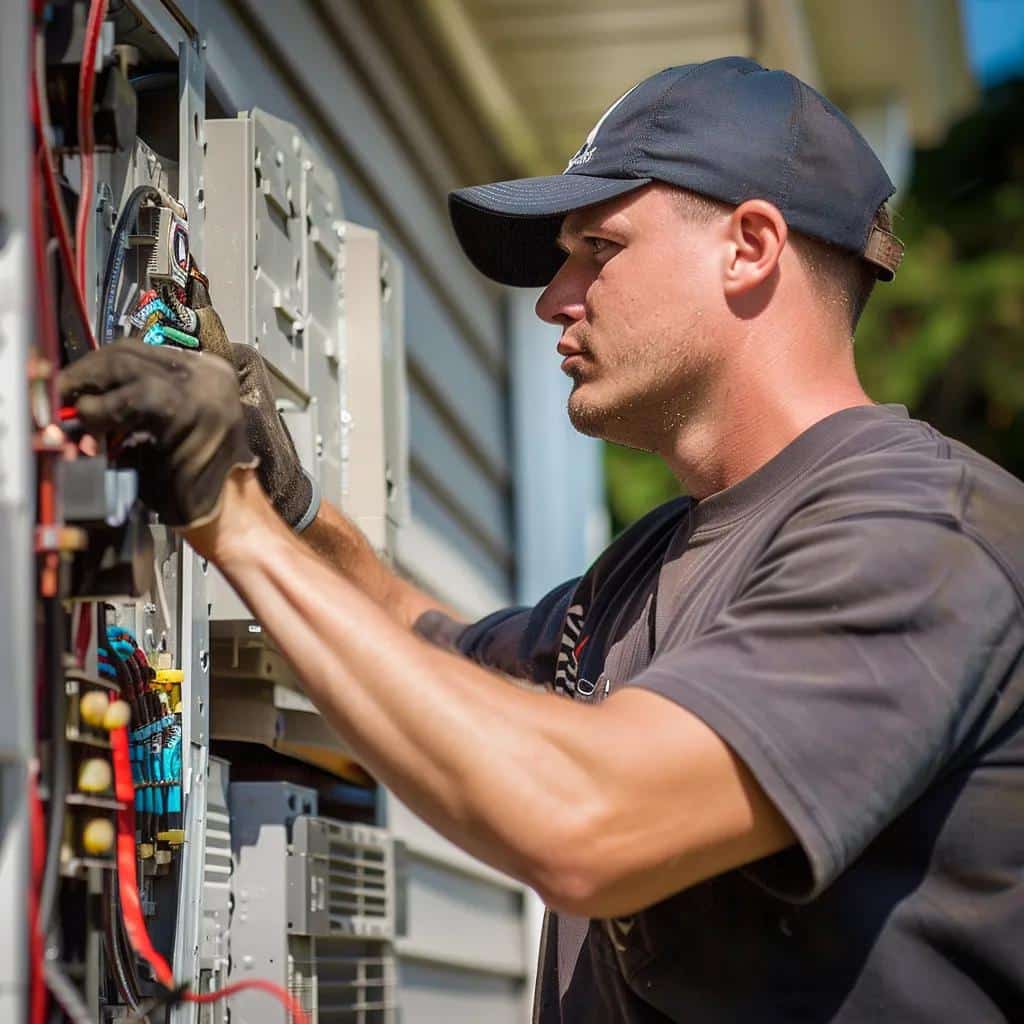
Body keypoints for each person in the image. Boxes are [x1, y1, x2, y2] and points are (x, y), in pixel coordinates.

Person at [59, 57, 1024, 1023]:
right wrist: (291, 505)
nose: (553, 300)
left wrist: (228, 520)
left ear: (751, 246)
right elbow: (432, 648)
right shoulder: (652, 562)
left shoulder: (922, 537)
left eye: (598, 250)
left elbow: (588, 819)